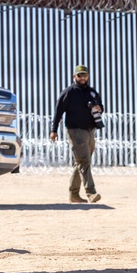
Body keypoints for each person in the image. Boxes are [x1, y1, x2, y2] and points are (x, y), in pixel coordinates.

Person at [50, 64, 103, 204]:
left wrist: (99, 108)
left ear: (88, 76)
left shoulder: (92, 92)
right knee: (84, 161)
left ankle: (74, 195)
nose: (82, 78)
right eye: (80, 75)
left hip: (90, 130)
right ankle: (91, 193)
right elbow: (58, 111)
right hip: (75, 131)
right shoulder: (69, 92)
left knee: (80, 162)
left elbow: (100, 106)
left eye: (85, 75)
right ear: (74, 76)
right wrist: (54, 130)